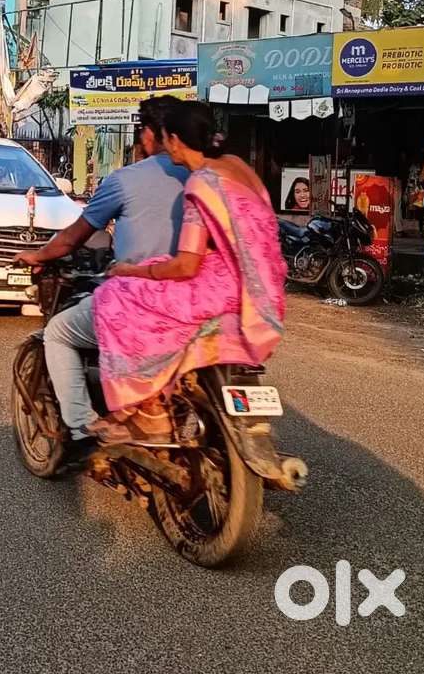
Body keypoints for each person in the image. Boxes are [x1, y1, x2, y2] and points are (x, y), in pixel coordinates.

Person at [89, 100, 287, 444]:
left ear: (176, 140)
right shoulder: (238, 165)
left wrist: (130, 270)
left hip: (226, 288)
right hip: (267, 287)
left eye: (166, 138)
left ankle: (148, 410)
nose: (165, 147)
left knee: (114, 294)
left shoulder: (200, 185)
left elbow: (185, 266)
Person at [13, 95, 190, 441]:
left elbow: (73, 237)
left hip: (144, 298)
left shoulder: (126, 179)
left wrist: (39, 255)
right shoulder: (207, 177)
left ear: (148, 135)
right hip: (201, 300)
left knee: (58, 332)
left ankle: (82, 427)